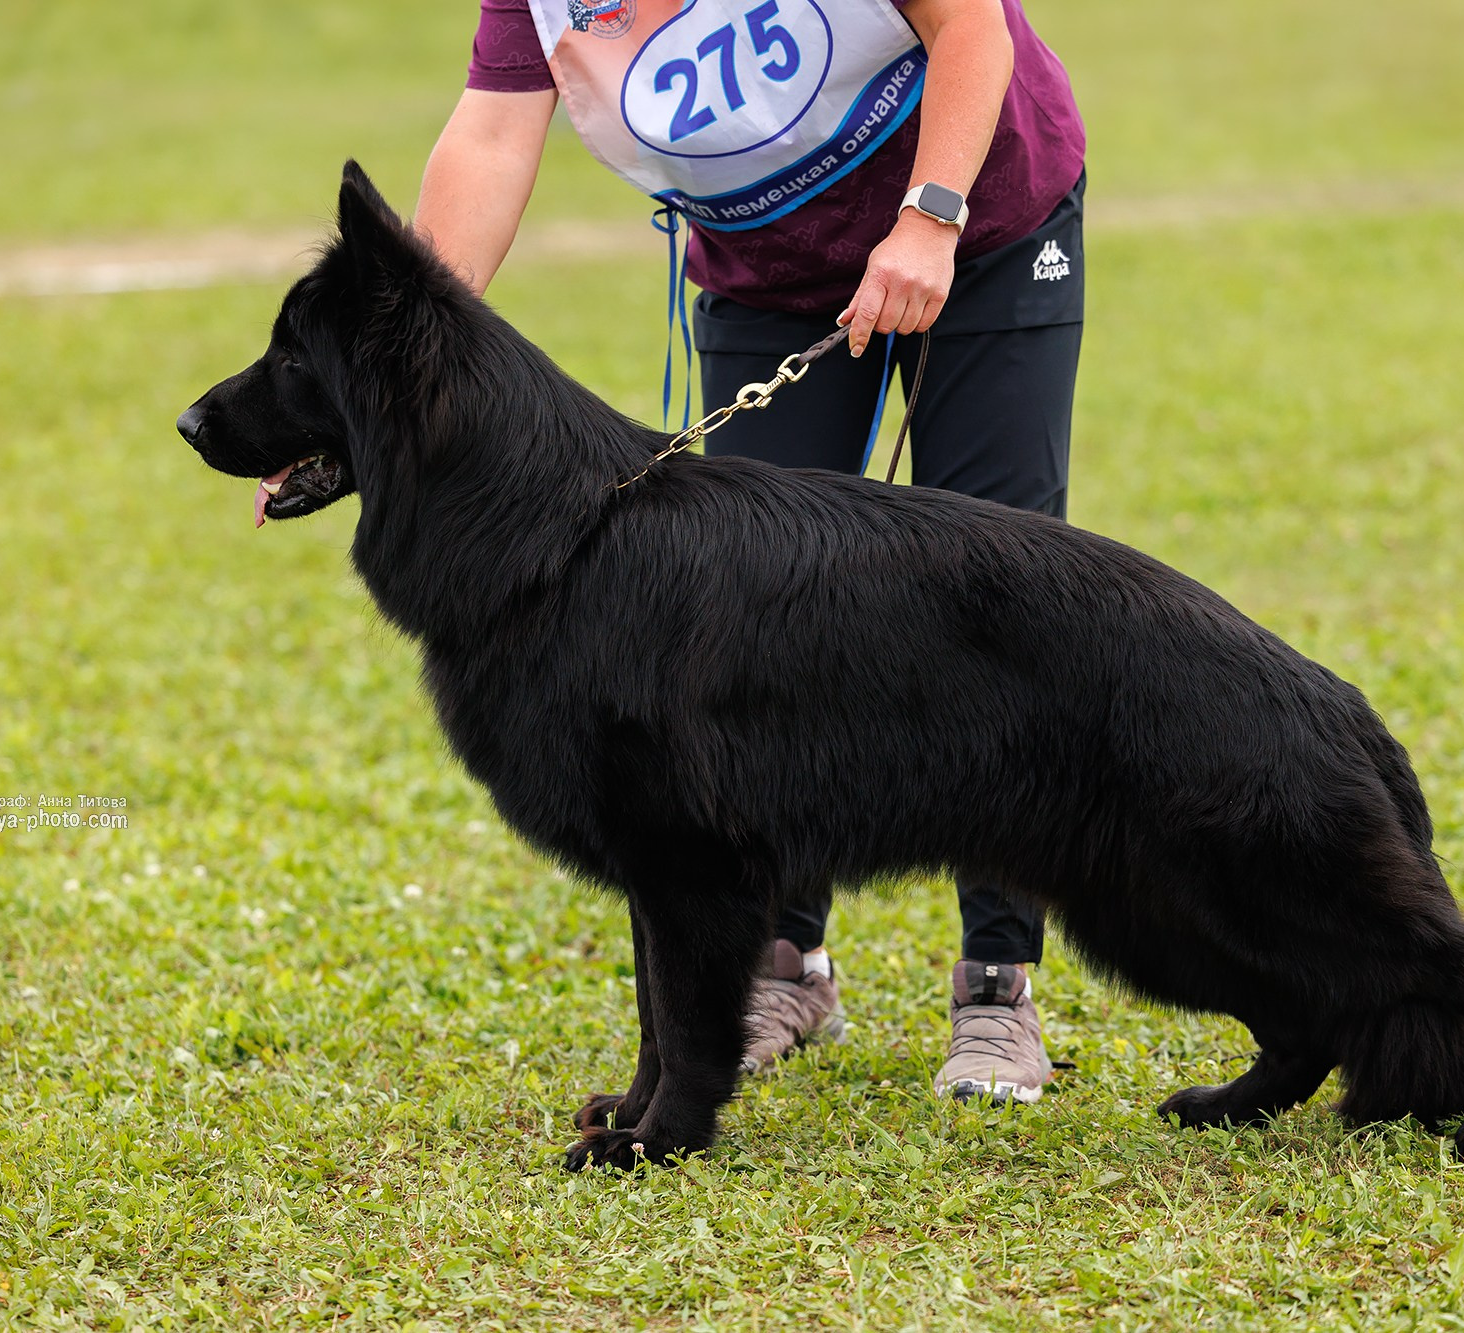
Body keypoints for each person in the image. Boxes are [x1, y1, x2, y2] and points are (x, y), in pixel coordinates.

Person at [414, 0, 1086, 1104]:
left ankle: (995, 982)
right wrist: (412, 340)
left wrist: (929, 218)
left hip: (982, 218)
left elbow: (970, 26)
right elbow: (490, 134)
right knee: (754, 622)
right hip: (770, 271)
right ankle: (783, 961)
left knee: (1002, 604)